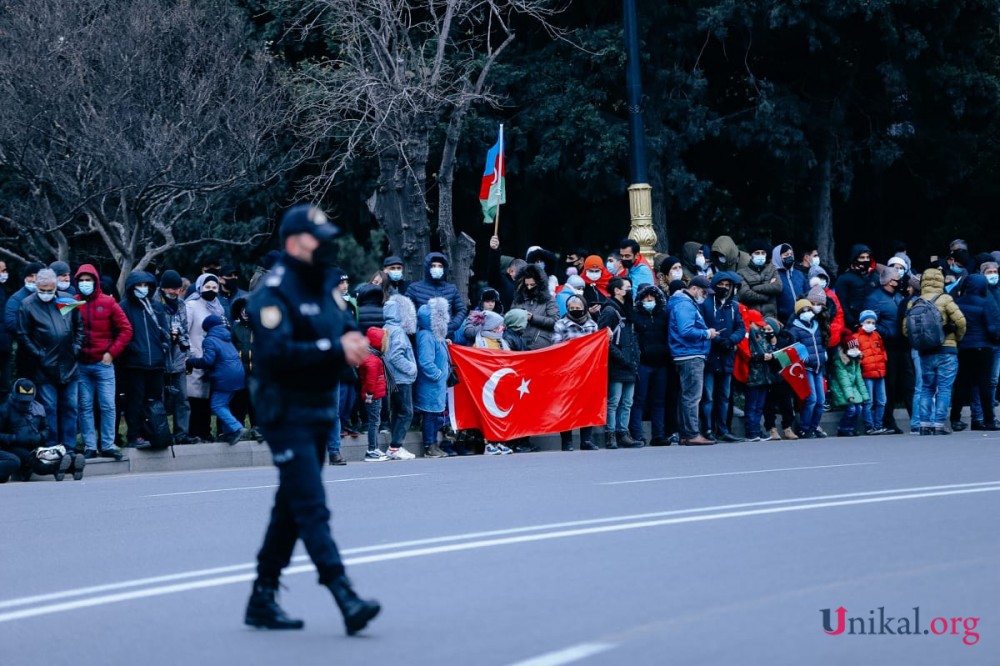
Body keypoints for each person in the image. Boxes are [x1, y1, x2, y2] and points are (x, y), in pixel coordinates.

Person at [243, 203, 379, 635]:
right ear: (294, 243)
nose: (323, 247)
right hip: (285, 412)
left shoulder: (321, 283)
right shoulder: (272, 292)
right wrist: (334, 351)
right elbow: (275, 355)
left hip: (320, 408)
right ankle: (344, 594)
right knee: (311, 506)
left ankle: (262, 597)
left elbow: (341, 326)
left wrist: (352, 339)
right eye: (315, 239)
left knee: (291, 506)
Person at [17, 269, 84, 449]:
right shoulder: (28, 304)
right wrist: (39, 354)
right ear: (37, 287)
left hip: (69, 364)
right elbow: (23, 335)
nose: (46, 293)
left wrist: (76, 348)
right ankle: (52, 446)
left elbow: (79, 325)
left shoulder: (67, 300)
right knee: (50, 407)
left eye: (50, 290)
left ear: (55, 287)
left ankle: (69, 447)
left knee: (71, 406)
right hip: (44, 367)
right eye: (43, 289)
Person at [75, 264, 133, 460]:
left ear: (95, 281)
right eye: (81, 281)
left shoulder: (108, 303)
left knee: (108, 405)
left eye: (88, 280)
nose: (85, 284)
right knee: (85, 406)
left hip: (103, 363)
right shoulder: (72, 303)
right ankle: (90, 445)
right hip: (81, 364)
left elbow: (126, 330)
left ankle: (108, 444)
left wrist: (111, 353)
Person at [904, 267, 966, 436]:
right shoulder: (945, 299)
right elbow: (961, 322)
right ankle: (939, 423)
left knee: (927, 388)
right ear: (940, 281)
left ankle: (924, 424)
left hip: (925, 351)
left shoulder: (914, 302)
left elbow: (906, 330)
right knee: (944, 388)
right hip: (947, 349)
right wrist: (956, 337)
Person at [118, 271, 171, 447]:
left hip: (156, 363)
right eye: (139, 285)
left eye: (146, 285)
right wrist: (130, 351)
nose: (143, 289)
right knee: (135, 401)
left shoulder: (156, 307)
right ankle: (134, 436)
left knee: (154, 402)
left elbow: (165, 331)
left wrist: (164, 347)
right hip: (134, 364)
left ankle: (155, 433)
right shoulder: (124, 307)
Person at [0, 378, 85, 481]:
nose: (25, 404)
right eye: (22, 401)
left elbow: (46, 428)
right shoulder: (4, 409)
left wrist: (41, 436)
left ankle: (72, 466)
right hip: (13, 447)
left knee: (50, 454)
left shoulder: (38, 408)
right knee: (31, 458)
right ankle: (55, 468)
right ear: (14, 395)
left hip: (35, 444)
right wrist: (14, 438)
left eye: (28, 401)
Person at [668, 275, 717, 445]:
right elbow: (686, 330)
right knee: (692, 396)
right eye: (704, 292)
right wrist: (706, 334)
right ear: (694, 288)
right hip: (690, 354)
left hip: (685, 354)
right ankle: (691, 433)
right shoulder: (685, 305)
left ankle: (686, 433)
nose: (705, 296)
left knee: (687, 396)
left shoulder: (682, 302)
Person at [864, 266, 912, 433]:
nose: (897, 282)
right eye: (894, 279)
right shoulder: (874, 298)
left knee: (908, 383)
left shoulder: (899, 297)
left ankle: (916, 419)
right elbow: (871, 322)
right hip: (887, 347)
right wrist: (888, 332)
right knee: (889, 385)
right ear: (887, 281)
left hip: (903, 346)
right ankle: (888, 421)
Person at [950, 274, 1000, 431]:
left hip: (964, 347)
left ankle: (955, 418)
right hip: (983, 347)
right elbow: (992, 328)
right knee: (984, 385)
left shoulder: (958, 303)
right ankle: (988, 420)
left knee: (962, 384)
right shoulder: (985, 303)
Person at [186, 315, 246, 445]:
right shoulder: (227, 337)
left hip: (225, 377)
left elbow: (208, 361)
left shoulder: (210, 340)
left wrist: (190, 361)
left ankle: (236, 428)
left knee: (217, 405)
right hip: (238, 375)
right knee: (223, 404)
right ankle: (228, 433)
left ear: (207, 328)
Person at [700, 272, 746, 442]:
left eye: (728, 286)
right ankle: (707, 429)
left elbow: (741, 328)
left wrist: (731, 340)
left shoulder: (733, 306)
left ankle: (723, 429)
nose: (724, 288)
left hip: (726, 356)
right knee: (708, 397)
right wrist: (719, 340)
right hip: (711, 355)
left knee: (724, 397)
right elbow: (702, 325)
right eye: (721, 284)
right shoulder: (705, 305)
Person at [551, 295, 599, 451]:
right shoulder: (561, 324)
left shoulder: (592, 325)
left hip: (587, 372)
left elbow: (597, 347)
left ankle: (586, 440)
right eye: (572, 308)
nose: (575, 311)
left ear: (584, 308)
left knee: (587, 405)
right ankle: (567, 441)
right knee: (566, 406)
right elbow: (556, 346)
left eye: (578, 308)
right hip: (567, 372)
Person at [598, 277, 641, 448]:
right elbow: (603, 339)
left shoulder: (627, 309)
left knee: (628, 401)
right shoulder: (610, 310)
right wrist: (623, 358)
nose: (630, 291)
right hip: (618, 362)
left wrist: (635, 356)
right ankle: (611, 434)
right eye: (627, 288)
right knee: (614, 401)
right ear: (616, 290)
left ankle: (623, 432)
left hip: (630, 362)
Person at [157, 270, 198, 444]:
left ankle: (182, 433)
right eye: (170, 288)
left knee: (182, 399)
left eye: (177, 288)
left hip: (179, 359)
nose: (174, 292)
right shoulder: (154, 304)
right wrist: (168, 336)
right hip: (160, 360)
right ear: (162, 288)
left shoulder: (181, 305)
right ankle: (162, 434)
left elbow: (184, 330)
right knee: (161, 401)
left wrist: (186, 355)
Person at [186, 274, 226, 441]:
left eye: (214, 288)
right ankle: (193, 432)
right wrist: (191, 353)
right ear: (200, 287)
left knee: (207, 398)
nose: (211, 291)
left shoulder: (219, 307)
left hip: (212, 359)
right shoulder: (191, 306)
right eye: (207, 287)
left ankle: (205, 431)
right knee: (194, 399)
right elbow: (185, 331)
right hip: (195, 358)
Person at [629, 284, 670, 447]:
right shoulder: (636, 315)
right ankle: (637, 435)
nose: (649, 299)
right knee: (639, 400)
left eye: (652, 296)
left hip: (661, 363)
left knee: (659, 400)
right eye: (645, 297)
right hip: (643, 364)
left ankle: (658, 435)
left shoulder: (663, 315)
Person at [382, 295, 418, 462]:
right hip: (401, 377)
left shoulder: (386, 327)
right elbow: (396, 356)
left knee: (397, 411)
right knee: (406, 412)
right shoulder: (398, 331)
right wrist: (411, 368)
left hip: (392, 377)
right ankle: (395, 447)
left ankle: (395, 446)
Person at [414, 297, 451, 458]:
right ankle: (429, 445)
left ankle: (434, 444)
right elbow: (425, 361)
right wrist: (438, 375)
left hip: (437, 385)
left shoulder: (435, 335)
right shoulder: (426, 336)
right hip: (431, 385)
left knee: (435, 416)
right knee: (429, 416)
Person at [787, 299, 828, 438]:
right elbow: (794, 348)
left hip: (818, 366)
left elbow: (822, 341)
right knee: (811, 399)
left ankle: (814, 426)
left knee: (821, 400)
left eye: (809, 310)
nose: (807, 313)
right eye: (803, 311)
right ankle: (805, 427)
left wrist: (824, 355)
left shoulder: (817, 325)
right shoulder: (794, 329)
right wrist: (803, 358)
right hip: (807, 368)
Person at [406, 252, 466, 337]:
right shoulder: (414, 288)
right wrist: (420, 327)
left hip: (447, 337)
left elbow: (461, 310)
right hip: (423, 336)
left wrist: (452, 325)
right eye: (433, 266)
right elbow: (407, 312)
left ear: (444, 268)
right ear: (427, 267)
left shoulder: (451, 289)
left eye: (440, 266)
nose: (436, 269)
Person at [6, 262, 45, 378]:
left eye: (36, 276)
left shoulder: (48, 295)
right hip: (26, 351)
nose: (33, 279)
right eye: (30, 276)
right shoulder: (16, 299)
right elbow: (11, 322)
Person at [358, 327, 391, 461]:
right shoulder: (373, 359)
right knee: (374, 423)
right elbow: (371, 381)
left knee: (375, 422)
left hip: (375, 394)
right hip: (373, 396)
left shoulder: (372, 356)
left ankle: (374, 448)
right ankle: (372, 449)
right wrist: (370, 395)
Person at [511, 264, 559, 350]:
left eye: (532, 285)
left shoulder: (548, 300)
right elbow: (510, 321)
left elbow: (555, 321)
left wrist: (533, 318)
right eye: (527, 285)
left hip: (541, 347)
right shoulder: (518, 300)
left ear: (539, 284)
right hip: (520, 346)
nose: (529, 288)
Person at [856, 310, 888, 435]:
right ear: (861, 322)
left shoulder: (877, 335)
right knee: (868, 402)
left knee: (881, 401)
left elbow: (882, 351)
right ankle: (869, 426)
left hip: (880, 372)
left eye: (873, 322)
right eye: (868, 322)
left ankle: (878, 425)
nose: (870, 324)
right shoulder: (856, 337)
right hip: (867, 373)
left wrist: (883, 361)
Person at [229, 297, 256, 439]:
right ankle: (239, 429)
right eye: (242, 310)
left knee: (255, 403)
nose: (245, 312)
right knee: (239, 402)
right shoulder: (235, 328)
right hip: (239, 372)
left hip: (256, 372)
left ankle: (257, 428)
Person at [830, 339, 869, 437]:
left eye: (856, 347)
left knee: (858, 408)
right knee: (851, 409)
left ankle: (851, 428)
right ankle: (843, 428)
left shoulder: (855, 361)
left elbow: (859, 379)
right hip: (840, 390)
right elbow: (844, 381)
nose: (855, 349)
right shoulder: (839, 362)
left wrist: (864, 396)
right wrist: (850, 396)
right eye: (853, 347)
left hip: (851, 389)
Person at [737, 239, 782, 319]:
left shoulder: (772, 269)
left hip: (771, 318)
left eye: (763, 253)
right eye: (757, 253)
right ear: (751, 255)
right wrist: (767, 296)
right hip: (752, 319)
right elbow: (745, 294)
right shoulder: (741, 273)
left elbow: (778, 287)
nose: (760, 255)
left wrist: (754, 288)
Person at [835, 244, 876, 329]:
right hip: (854, 322)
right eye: (862, 257)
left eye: (867, 257)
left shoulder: (874, 276)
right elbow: (842, 303)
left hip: (873, 321)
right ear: (855, 258)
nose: (866, 260)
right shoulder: (844, 278)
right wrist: (852, 322)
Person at [773, 243, 807, 324]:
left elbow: (807, 293)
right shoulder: (773, 275)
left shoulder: (799, 274)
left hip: (802, 317)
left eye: (791, 254)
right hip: (783, 321)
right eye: (786, 254)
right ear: (778, 257)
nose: (789, 257)